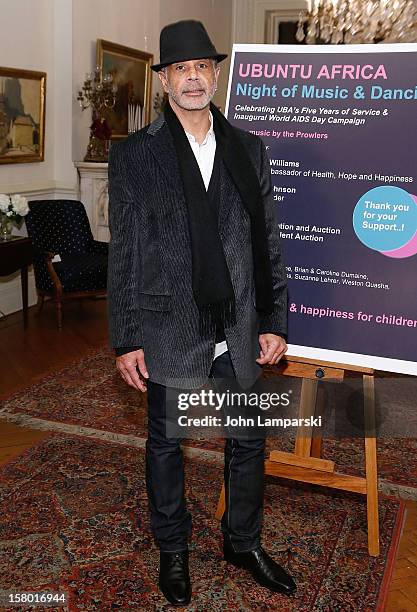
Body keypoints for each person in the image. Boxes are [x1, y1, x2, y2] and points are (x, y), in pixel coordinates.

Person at [107, 19, 296, 607]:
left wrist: (273, 318)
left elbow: (267, 237)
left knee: (248, 439)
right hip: (169, 324)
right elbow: (127, 250)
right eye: (181, 69)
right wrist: (127, 336)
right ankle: (174, 551)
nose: (194, 78)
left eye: (203, 67)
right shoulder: (135, 155)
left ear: (216, 76)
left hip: (238, 323)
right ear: (164, 81)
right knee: (167, 441)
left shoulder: (248, 147)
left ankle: (242, 541)